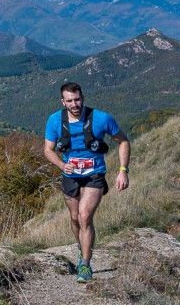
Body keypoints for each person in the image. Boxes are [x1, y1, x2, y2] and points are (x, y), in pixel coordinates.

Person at [42, 82, 130, 282]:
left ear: (83, 98)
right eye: (70, 101)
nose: (75, 104)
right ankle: (82, 248)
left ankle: (85, 264)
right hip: (70, 175)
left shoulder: (101, 118)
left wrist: (123, 171)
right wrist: (62, 166)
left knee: (84, 216)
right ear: (63, 101)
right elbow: (48, 150)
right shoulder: (55, 121)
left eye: (78, 99)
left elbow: (123, 141)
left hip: (94, 174)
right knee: (74, 218)